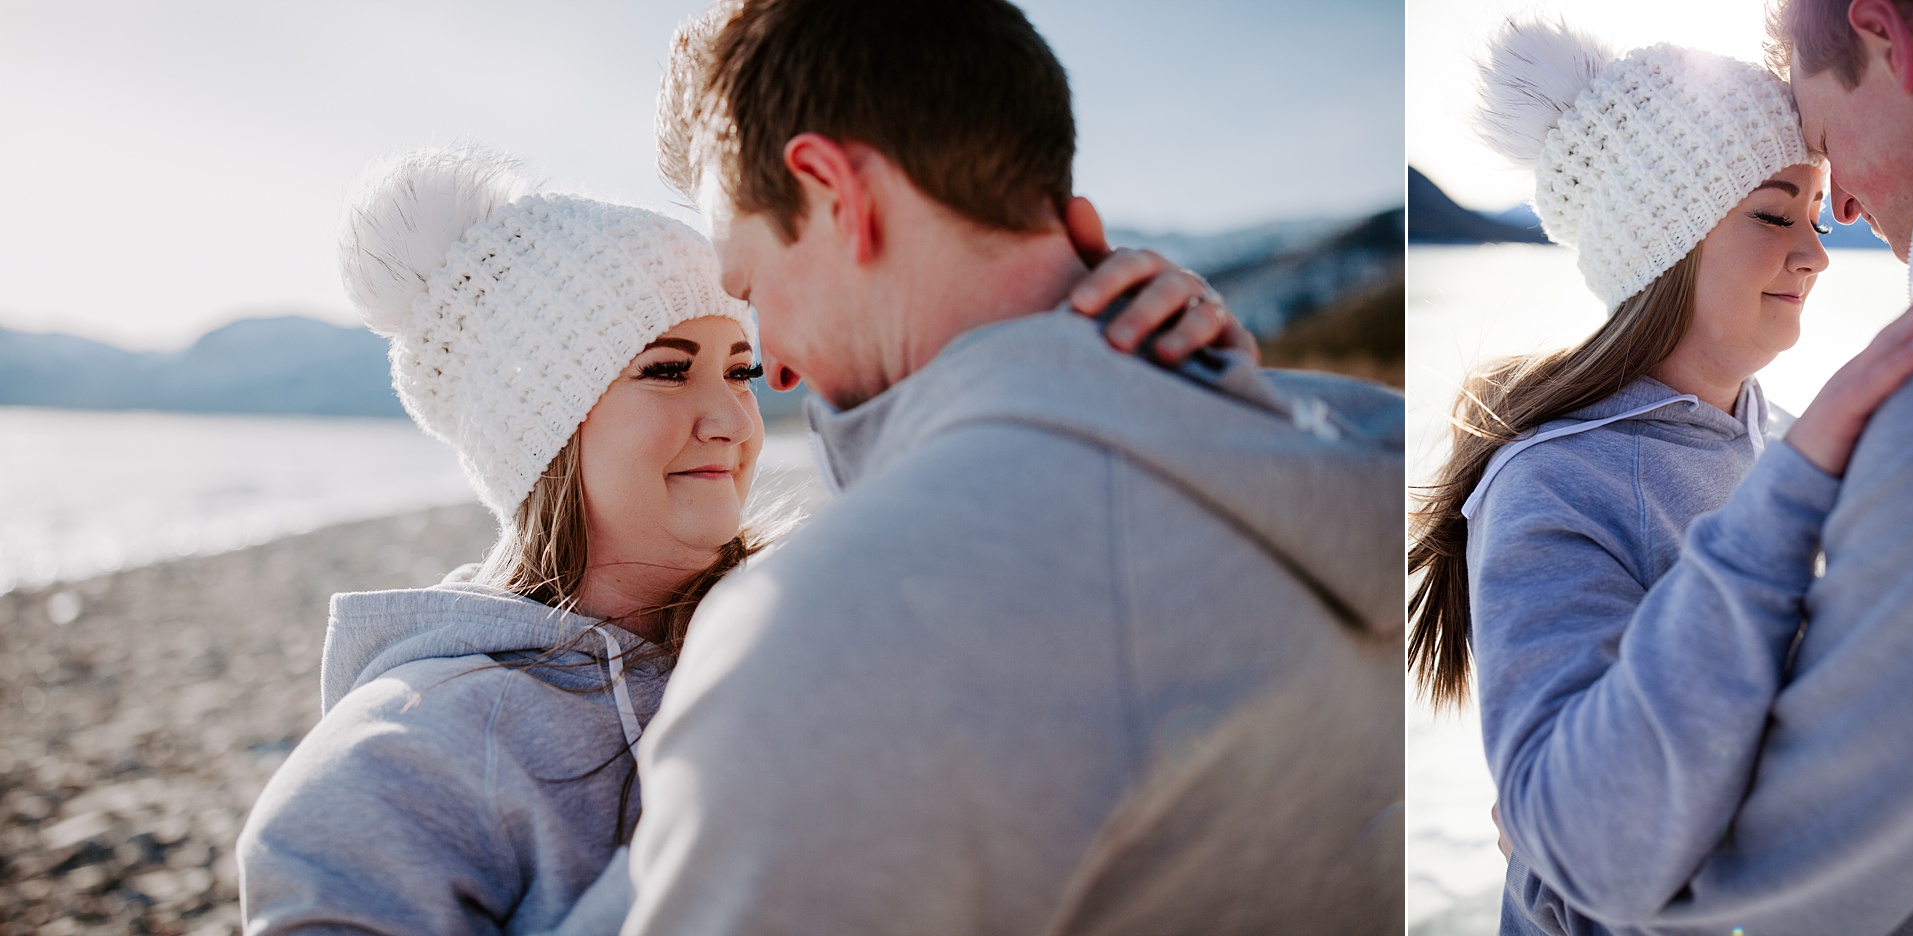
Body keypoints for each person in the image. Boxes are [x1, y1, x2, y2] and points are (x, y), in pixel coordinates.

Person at [234, 146, 1240, 933]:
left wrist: (1152, 375)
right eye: (668, 371)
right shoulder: (399, 766)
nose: (730, 419)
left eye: (741, 369)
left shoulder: (826, 616)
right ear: (537, 423)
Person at [620, 1, 1406, 934]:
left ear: (838, 193)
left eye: (751, 286)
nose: (777, 361)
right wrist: (1132, 385)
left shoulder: (835, 633)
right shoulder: (1373, 452)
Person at [1417, 0, 1913, 930]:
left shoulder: (1792, 439)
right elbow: (1574, 820)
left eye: (1818, 213)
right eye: (1776, 214)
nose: (1820, 252)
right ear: (1661, 249)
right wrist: (1555, 853)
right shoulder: (1553, 482)